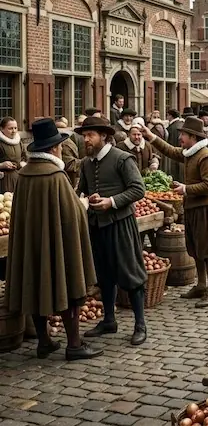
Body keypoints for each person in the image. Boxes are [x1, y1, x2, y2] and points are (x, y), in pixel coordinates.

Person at [5, 118, 103, 361]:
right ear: (53, 149)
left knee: (35, 286)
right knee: (68, 286)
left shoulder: (24, 175)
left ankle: (44, 342)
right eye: (59, 145)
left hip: (33, 246)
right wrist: (83, 204)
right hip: (58, 246)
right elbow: (72, 214)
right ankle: (74, 345)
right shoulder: (56, 176)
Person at [75, 117, 148, 345]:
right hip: (96, 226)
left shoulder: (122, 159)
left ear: (104, 136)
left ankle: (140, 324)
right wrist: (87, 199)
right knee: (104, 275)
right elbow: (82, 191)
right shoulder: (86, 163)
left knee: (130, 272)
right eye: (84, 136)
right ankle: (109, 320)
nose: (86, 140)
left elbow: (138, 189)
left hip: (120, 224)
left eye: (90, 135)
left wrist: (112, 201)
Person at [143, 117, 208, 308]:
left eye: (183, 134)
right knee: (195, 247)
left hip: (206, 208)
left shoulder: (206, 156)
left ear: (193, 137)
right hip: (193, 207)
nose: (180, 137)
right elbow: (171, 151)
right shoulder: (191, 152)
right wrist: (151, 137)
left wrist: (186, 189)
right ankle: (201, 285)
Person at [0, 117, 25, 192]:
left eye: (15, 128)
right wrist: (2, 165)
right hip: (3, 180)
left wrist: (22, 163)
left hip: (18, 178)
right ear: (2, 129)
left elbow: (24, 157)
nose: (14, 131)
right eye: (10, 128)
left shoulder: (19, 142)